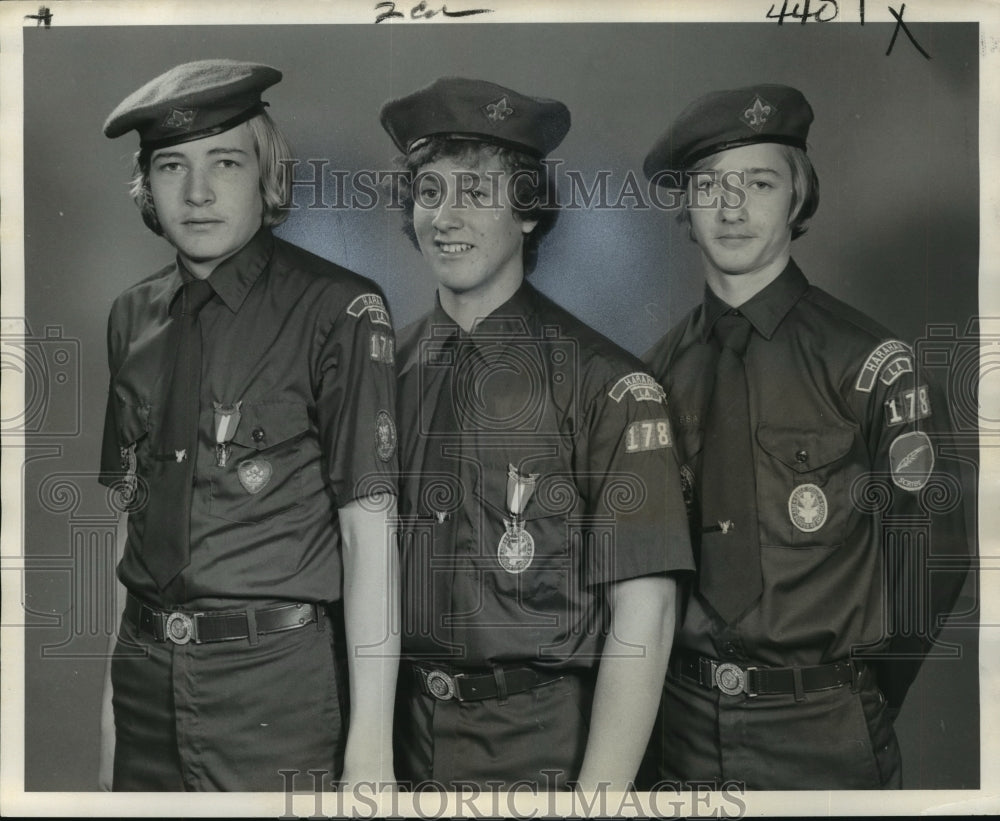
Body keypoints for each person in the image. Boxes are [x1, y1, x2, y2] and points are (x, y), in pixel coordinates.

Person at [641, 84, 970, 789]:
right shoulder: (652, 377)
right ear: (685, 208)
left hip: (824, 731)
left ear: (797, 197)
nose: (732, 207)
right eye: (709, 186)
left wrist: (847, 694)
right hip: (682, 730)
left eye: (758, 182)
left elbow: (933, 563)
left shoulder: (871, 365)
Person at [379, 76, 694, 791]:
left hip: (544, 753)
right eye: (429, 192)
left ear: (526, 211)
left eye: (476, 192)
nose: (446, 217)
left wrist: (599, 800)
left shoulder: (605, 385)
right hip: (397, 751)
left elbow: (646, 614)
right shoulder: (376, 377)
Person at [97, 59, 399, 791]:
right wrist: (108, 712)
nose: (196, 193)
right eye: (171, 166)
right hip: (143, 677)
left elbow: (370, 534)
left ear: (265, 172)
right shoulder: (132, 315)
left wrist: (372, 747)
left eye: (224, 162)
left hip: (273, 687)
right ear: (148, 184)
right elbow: (130, 520)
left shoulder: (341, 311)